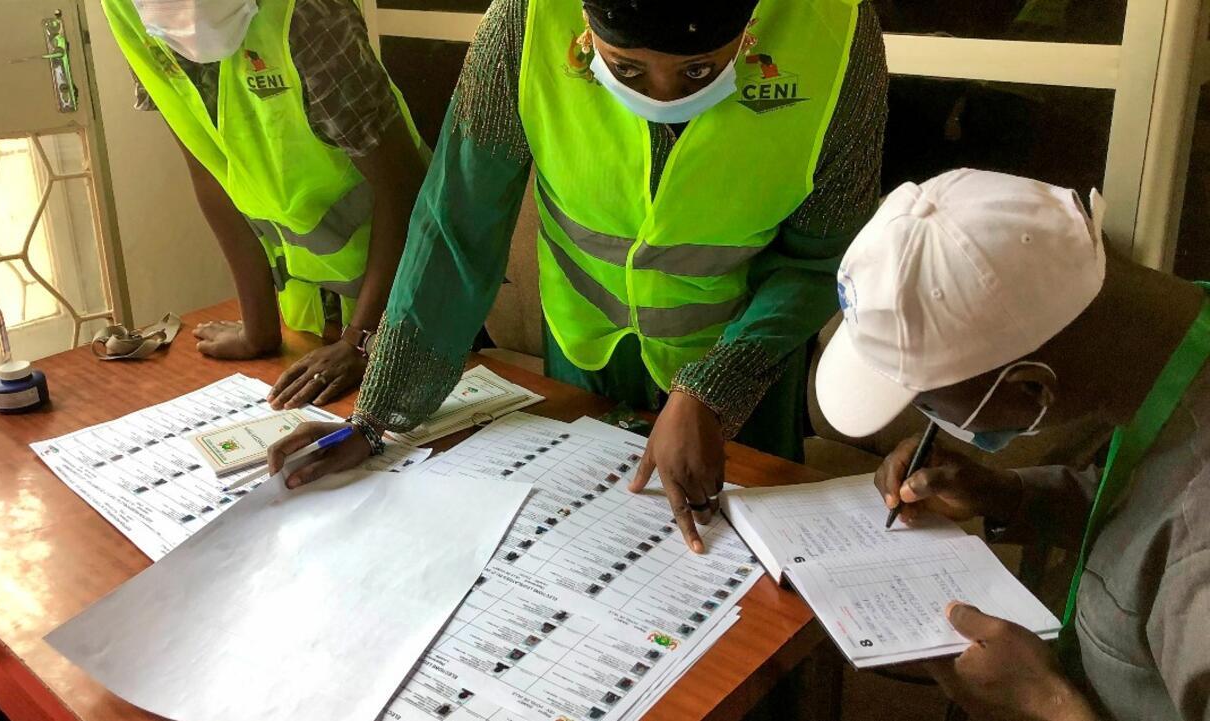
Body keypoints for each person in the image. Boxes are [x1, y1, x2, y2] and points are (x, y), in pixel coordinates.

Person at [268, 0, 889, 554]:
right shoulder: (526, 18)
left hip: (748, 354)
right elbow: (457, 224)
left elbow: (820, 257)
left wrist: (713, 390)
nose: (664, 98)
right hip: (587, 350)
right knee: (578, 550)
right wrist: (376, 418)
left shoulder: (835, 30)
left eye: (700, 71)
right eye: (626, 69)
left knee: (741, 575)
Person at [816, 169, 1209, 721]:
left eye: (928, 405)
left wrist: (1043, 700)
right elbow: (1148, 514)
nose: (926, 421)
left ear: (1030, 387)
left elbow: (1180, 533)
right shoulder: (1174, 357)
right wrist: (1005, 494)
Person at [101, 0, 428, 409]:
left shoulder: (308, 12)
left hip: (405, 292)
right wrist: (258, 330)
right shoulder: (127, 12)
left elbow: (403, 183)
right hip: (309, 312)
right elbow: (208, 169)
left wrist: (361, 342)